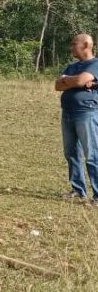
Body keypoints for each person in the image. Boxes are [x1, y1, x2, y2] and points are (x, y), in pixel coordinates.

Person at [55, 33, 98, 205]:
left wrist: (68, 80)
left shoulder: (95, 64)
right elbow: (57, 85)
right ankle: (78, 190)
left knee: (92, 154)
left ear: (86, 45)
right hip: (68, 113)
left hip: (86, 113)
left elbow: (81, 80)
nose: (71, 47)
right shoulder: (72, 66)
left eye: (74, 44)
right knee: (71, 153)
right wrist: (73, 81)